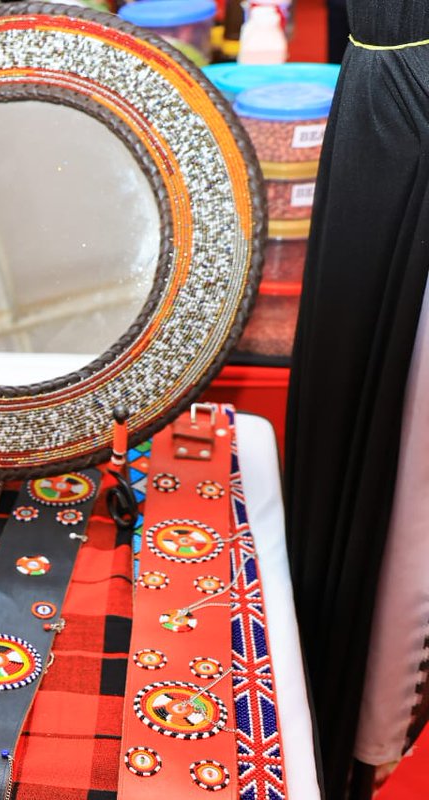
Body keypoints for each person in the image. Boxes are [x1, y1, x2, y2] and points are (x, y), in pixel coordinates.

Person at [284, 2, 429, 796]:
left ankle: (372, 737)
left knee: (406, 470)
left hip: (399, 97)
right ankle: (345, 728)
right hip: (380, 94)